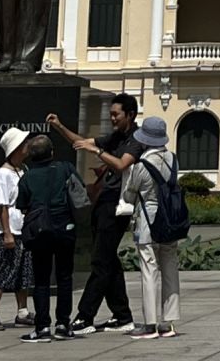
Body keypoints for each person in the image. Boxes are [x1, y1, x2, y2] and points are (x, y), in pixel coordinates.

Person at [47, 96, 140, 334]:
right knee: (108, 260)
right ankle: (122, 315)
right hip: (102, 203)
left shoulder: (137, 139)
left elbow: (122, 164)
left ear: (130, 114)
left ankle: (85, 316)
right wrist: (59, 127)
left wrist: (97, 150)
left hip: (118, 208)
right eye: (111, 113)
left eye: (116, 114)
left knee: (100, 261)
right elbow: (81, 143)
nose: (112, 118)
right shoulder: (116, 137)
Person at [16, 135, 81, 343]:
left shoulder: (27, 177)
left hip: (40, 230)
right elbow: (79, 193)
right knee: (64, 277)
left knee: (42, 279)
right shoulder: (65, 168)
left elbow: (23, 205)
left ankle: (42, 326)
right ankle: (63, 324)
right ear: (52, 152)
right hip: (64, 226)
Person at [119, 118, 180, 340]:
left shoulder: (142, 165)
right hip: (170, 220)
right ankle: (169, 322)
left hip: (148, 220)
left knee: (149, 269)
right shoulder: (172, 159)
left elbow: (129, 194)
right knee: (170, 269)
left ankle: (150, 323)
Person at [0, 131, 33, 333]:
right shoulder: (4, 173)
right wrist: (7, 233)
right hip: (10, 228)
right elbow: (2, 205)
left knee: (23, 272)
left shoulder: (22, 170)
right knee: (6, 270)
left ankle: (22, 311)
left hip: (23, 226)